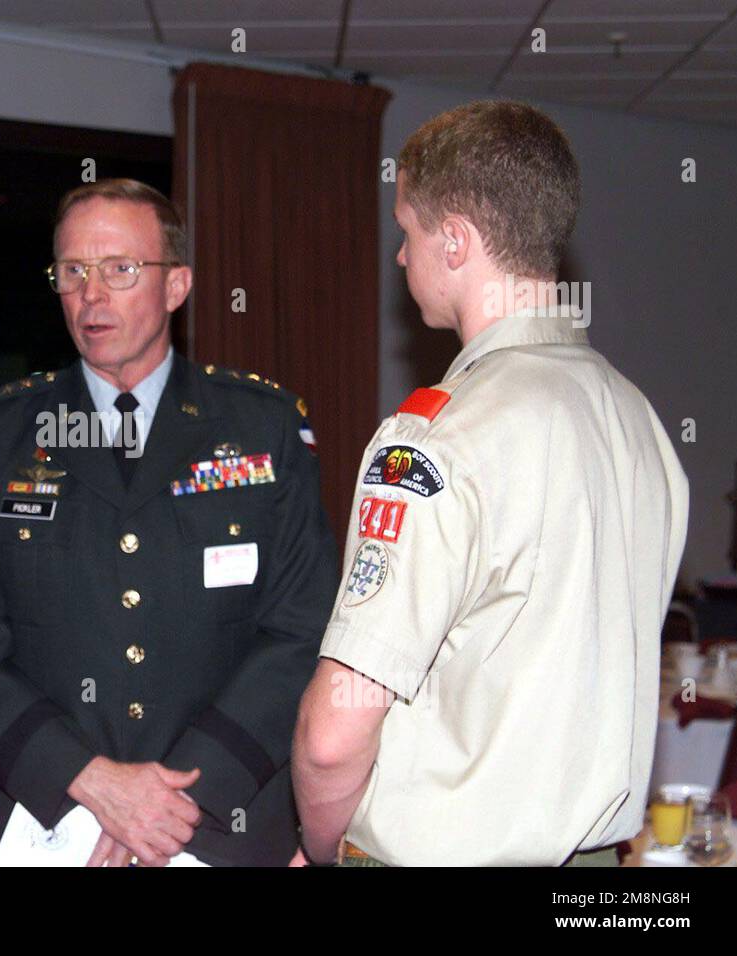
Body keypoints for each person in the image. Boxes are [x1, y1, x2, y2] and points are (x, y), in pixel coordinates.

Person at [290, 102, 689, 866]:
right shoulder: (638, 421)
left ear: (456, 241)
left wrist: (324, 845)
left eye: (407, 232)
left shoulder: (439, 437)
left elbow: (335, 734)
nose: (402, 258)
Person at [0, 179, 337, 866]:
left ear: (177, 285)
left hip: (219, 822)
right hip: (48, 825)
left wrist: (170, 801)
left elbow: (300, 631)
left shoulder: (262, 428)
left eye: (120, 270)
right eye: (72, 272)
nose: (91, 295)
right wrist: (92, 783)